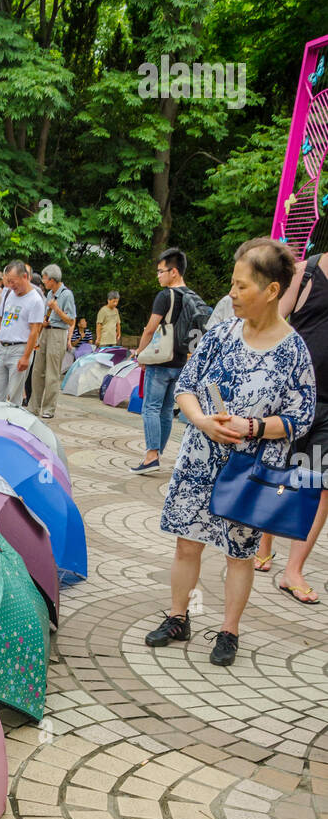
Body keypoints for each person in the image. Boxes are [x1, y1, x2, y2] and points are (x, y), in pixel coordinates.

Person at [145, 237, 316, 667]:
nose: (232, 294)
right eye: (233, 284)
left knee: (240, 553)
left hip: (249, 468)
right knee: (187, 544)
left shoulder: (294, 351)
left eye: (241, 286)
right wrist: (202, 421)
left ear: (272, 290)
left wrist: (256, 427)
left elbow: (301, 416)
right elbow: (185, 387)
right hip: (201, 458)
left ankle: (229, 631)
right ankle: (178, 617)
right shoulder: (220, 334)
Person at [255, 250, 328, 602]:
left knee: (319, 483)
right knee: (277, 473)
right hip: (294, 398)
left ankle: (293, 571)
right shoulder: (307, 271)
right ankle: (264, 542)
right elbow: (275, 320)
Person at [132, 247, 191, 473]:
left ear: (173, 272)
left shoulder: (165, 296)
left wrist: (140, 352)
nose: (158, 275)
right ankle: (158, 453)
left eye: (160, 271)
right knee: (167, 410)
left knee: (151, 408)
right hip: (180, 360)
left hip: (160, 360)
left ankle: (151, 456)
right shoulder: (192, 296)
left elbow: (150, 328)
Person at [0, 261, 45, 404]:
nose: (11, 285)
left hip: (20, 350)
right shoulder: (8, 293)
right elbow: (0, 318)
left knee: (14, 395)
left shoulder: (35, 300)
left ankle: (11, 424)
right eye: (8, 282)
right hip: (3, 348)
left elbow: (34, 331)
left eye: (13, 282)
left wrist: (26, 357)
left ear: (25, 277)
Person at [28, 264, 75, 418]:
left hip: (58, 333)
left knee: (52, 374)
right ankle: (33, 407)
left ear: (53, 279)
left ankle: (48, 409)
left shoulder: (66, 294)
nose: (44, 281)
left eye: (45, 279)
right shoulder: (49, 294)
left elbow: (70, 320)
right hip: (46, 332)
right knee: (37, 371)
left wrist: (57, 309)